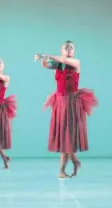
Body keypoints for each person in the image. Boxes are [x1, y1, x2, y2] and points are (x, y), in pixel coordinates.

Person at [33, 40, 98, 178]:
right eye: (65, 48)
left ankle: (64, 168)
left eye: (71, 48)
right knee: (65, 134)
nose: (68, 49)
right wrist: (42, 59)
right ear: (61, 50)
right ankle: (72, 162)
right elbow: (46, 65)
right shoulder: (59, 65)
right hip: (60, 102)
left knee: (69, 134)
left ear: (73, 51)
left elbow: (60, 59)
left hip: (72, 102)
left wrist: (46, 54)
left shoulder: (76, 63)